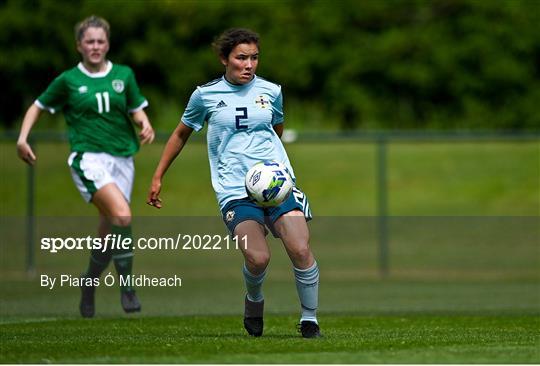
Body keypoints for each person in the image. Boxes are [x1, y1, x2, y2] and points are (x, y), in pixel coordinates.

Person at [147, 28, 320, 338]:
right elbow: (180, 134)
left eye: (254, 58)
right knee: (258, 257)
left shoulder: (272, 91)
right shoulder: (205, 95)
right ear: (224, 59)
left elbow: (275, 129)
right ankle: (254, 299)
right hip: (234, 190)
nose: (249, 65)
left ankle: (309, 321)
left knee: (300, 248)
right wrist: (158, 176)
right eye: (241, 58)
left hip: (276, 186)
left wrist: (272, 174)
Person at [16, 15, 155, 318]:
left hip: (123, 159)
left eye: (100, 41)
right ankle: (128, 288)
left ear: (107, 44)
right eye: (89, 41)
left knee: (110, 229)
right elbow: (37, 107)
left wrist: (144, 124)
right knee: (122, 215)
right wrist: (23, 138)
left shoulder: (124, 74)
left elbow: (136, 110)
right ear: (79, 45)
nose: (95, 46)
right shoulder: (68, 80)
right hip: (88, 159)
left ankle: (88, 284)